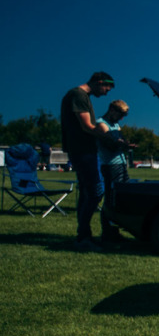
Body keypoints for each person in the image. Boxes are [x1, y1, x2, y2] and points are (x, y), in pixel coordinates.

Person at [61, 71, 115, 251]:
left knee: (87, 192)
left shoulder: (82, 96)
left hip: (86, 150)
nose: (107, 92)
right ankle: (83, 237)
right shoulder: (78, 95)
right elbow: (86, 126)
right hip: (82, 151)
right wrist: (108, 137)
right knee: (95, 191)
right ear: (99, 82)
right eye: (107, 87)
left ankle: (84, 235)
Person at [97, 100, 134, 242]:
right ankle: (108, 232)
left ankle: (115, 231)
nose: (122, 119)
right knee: (111, 198)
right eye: (120, 114)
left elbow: (120, 141)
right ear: (112, 110)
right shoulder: (101, 124)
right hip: (111, 165)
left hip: (121, 164)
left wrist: (124, 144)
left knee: (120, 199)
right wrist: (121, 143)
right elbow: (111, 144)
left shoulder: (115, 125)